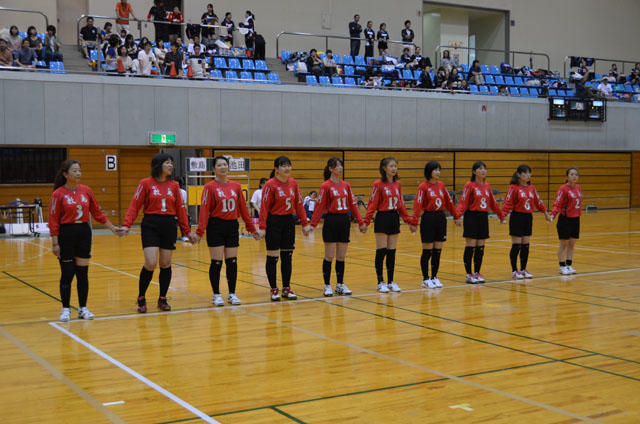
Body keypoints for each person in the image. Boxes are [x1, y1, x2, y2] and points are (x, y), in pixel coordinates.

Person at [121, 153, 194, 313]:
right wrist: (127, 224)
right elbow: (135, 205)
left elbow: (181, 210)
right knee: (151, 262)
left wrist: (187, 232)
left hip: (169, 224)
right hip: (151, 224)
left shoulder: (174, 186)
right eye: (167, 162)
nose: (171, 165)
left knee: (166, 263)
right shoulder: (145, 183)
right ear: (158, 165)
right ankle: (141, 297)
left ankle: (162, 298)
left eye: (172, 163)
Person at [49, 160, 120, 322]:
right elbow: (53, 219)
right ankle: (65, 309)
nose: (78, 173)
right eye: (74, 171)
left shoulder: (86, 191)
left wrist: (112, 228)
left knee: (82, 274)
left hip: (83, 233)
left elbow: (97, 213)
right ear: (65, 174)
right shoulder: (58, 194)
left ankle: (83, 308)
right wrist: (55, 243)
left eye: (79, 170)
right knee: (67, 274)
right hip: (66, 234)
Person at [193, 156, 257, 306]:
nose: (223, 167)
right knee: (216, 262)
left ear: (228, 167)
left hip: (232, 225)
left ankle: (232, 294)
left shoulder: (236, 186)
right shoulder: (209, 187)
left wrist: (251, 228)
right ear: (214, 169)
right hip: (216, 226)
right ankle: (216, 294)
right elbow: (204, 210)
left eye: (225, 164)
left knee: (232, 262)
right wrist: (199, 232)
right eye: (219, 165)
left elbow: (243, 208)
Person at [255, 156, 312, 301]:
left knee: (287, 256)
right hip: (274, 221)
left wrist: (304, 224)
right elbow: (264, 207)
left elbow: (299, 204)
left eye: (288, 165)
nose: (287, 168)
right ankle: (274, 289)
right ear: (276, 169)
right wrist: (262, 227)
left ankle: (286, 288)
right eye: (283, 166)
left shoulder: (293, 183)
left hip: (288, 221)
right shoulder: (270, 185)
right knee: (273, 257)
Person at [311, 158, 366, 296]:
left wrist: (361, 222)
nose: (340, 168)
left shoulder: (346, 185)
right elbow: (319, 206)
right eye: (337, 166)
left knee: (341, 256)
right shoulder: (325, 186)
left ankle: (340, 284)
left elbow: (353, 205)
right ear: (331, 168)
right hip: (331, 221)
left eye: (341, 165)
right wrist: (313, 224)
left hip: (344, 221)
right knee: (329, 255)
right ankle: (327, 285)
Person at [363, 157, 416, 293]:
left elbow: (401, 205)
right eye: (391, 166)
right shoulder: (378, 184)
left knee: (392, 252)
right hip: (382, 217)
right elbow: (372, 204)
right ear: (384, 168)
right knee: (381, 251)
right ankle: (380, 281)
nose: (394, 169)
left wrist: (409, 221)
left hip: (394, 218)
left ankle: (391, 281)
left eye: (395, 166)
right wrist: (366, 222)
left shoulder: (398, 184)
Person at [412, 161, 461, 289]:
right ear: (429, 172)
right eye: (435, 170)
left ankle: (434, 276)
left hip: (440, 217)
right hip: (428, 218)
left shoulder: (441, 185)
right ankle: (425, 278)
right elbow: (417, 205)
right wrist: (414, 222)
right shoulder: (423, 186)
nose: (438, 172)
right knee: (427, 250)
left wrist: (456, 216)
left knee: (437, 250)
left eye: (439, 170)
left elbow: (449, 202)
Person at [456, 161, 505, 284]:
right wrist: (457, 216)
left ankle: (477, 272)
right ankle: (469, 274)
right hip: (471, 217)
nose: (483, 171)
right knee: (471, 245)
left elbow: (493, 203)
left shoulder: (487, 186)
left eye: (484, 169)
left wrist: (501, 215)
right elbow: (463, 202)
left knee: (480, 246)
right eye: (480, 168)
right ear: (474, 172)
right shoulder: (469, 185)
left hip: (483, 217)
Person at [501, 165, 551, 279]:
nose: (528, 175)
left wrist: (545, 213)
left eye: (529, 173)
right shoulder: (513, 187)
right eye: (525, 173)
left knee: (526, 245)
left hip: (528, 217)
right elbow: (507, 202)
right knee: (516, 245)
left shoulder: (532, 188)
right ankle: (514, 270)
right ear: (519, 174)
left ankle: (523, 269)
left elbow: (538, 202)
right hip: (517, 217)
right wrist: (503, 215)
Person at [550, 168, 582, 276]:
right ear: (567, 177)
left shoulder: (578, 187)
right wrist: (553, 215)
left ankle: (569, 265)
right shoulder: (563, 189)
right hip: (565, 219)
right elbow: (557, 203)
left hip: (576, 219)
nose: (574, 176)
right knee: (563, 244)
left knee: (572, 244)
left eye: (576, 174)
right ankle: (562, 266)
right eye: (572, 174)